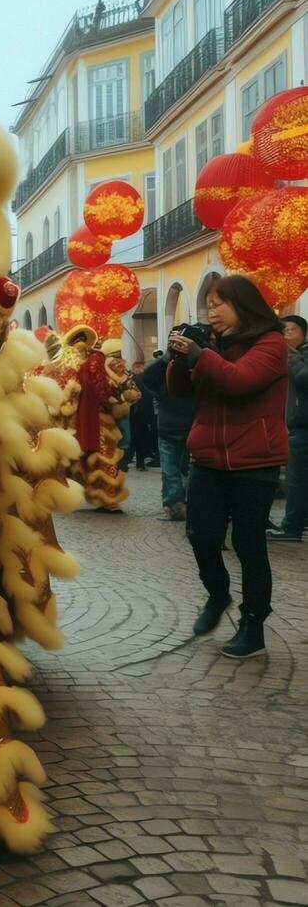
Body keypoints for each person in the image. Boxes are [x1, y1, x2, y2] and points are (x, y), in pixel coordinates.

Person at [167, 275, 288, 659]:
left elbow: (240, 381)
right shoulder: (213, 345)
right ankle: (218, 595)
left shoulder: (271, 343)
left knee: (248, 543)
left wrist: (200, 355)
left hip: (255, 459)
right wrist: (178, 359)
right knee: (201, 536)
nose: (212, 311)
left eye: (220, 303)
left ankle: (253, 624)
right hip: (208, 458)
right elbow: (181, 391)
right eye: (209, 304)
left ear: (244, 305)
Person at [266, 315, 308, 542]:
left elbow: (303, 378)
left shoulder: (300, 355)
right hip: (297, 425)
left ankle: (291, 528)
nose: (285, 336)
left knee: (296, 479)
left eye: (289, 331)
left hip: (303, 426)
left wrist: (291, 358)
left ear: (302, 333)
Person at [140, 350, 195, 521]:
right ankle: (183, 504)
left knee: (172, 470)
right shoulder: (195, 367)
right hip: (184, 426)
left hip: (173, 427)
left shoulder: (166, 372)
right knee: (183, 469)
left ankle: (175, 505)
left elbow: (147, 377)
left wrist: (166, 358)